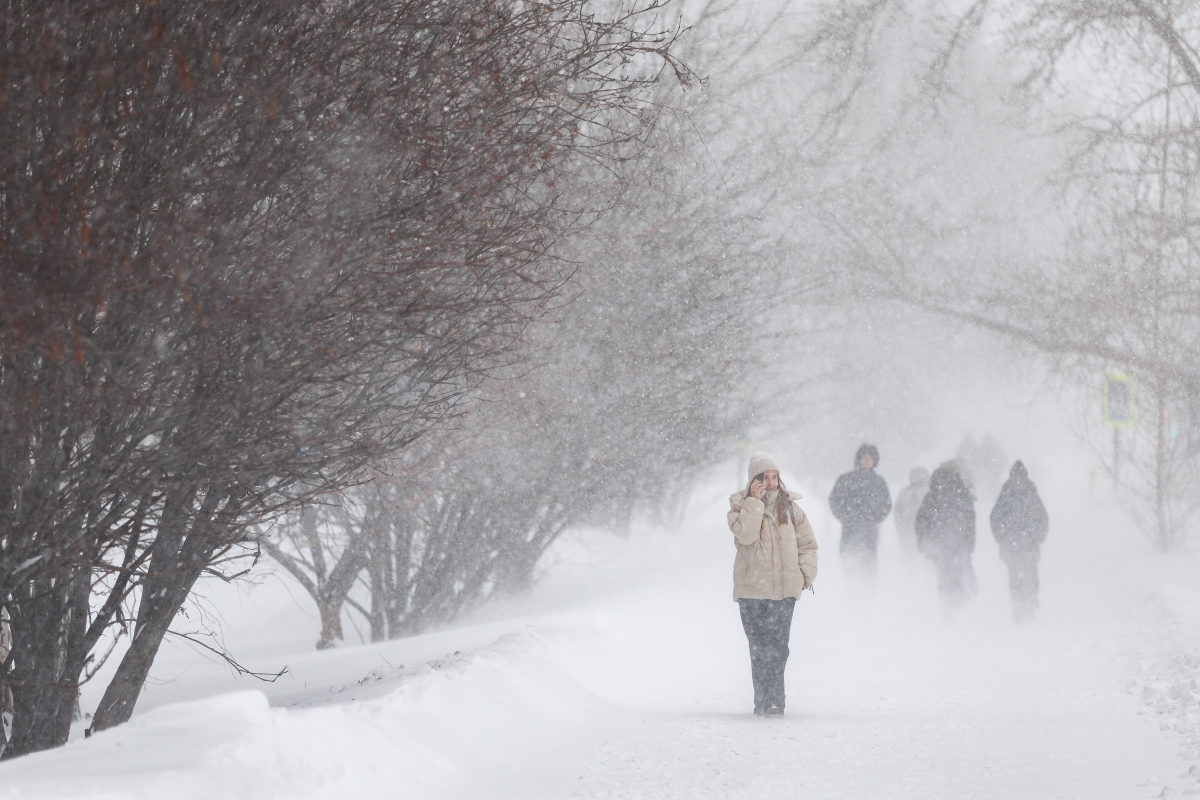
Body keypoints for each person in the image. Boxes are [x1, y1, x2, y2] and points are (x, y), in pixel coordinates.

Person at [728, 452, 819, 717]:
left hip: (783, 592)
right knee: (759, 650)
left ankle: (776, 702)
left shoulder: (791, 509)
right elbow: (745, 536)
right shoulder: (739, 508)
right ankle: (762, 702)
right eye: (764, 477)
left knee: (778, 649)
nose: (770, 483)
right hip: (752, 591)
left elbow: (808, 545)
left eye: (774, 477)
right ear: (753, 480)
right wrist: (754, 503)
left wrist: (804, 576)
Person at [990, 461, 1049, 621]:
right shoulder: (1030, 495)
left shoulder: (1007, 495)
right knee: (1026, 577)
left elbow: (995, 519)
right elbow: (1042, 519)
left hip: (1016, 546)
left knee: (1019, 578)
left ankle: (1022, 606)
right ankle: (1024, 606)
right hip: (1024, 545)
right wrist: (1037, 536)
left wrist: (1002, 536)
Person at [915, 461, 976, 608]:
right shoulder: (961, 493)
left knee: (943, 575)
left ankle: (947, 605)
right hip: (956, 543)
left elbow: (921, 521)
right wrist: (969, 542)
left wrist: (923, 542)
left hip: (937, 544)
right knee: (956, 575)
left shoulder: (933, 494)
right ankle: (956, 604)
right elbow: (970, 520)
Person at [828, 444, 892, 576]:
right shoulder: (846, 479)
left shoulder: (879, 482)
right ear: (859, 459)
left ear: (875, 461)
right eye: (864, 457)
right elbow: (834, 500)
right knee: (849, 567)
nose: (867, 461)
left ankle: (867, 589)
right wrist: (845, 517)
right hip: (849, 531)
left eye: (870, 458)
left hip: (870, 533)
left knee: (869, 569)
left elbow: (886, 504)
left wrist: (874, 519)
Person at [893, 466, 930, 559]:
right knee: (911, 554)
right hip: (909, 528)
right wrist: (901, 525)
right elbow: (898, 511)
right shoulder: (905, 492)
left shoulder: (928, 492)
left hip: (920, 530)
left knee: (920, 555)